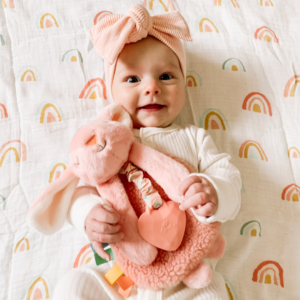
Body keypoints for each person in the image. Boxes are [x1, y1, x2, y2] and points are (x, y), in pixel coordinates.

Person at [53, 4, 241, 300]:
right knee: (73, 286)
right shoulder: (105, 144)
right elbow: (79, 189)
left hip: (188, 277)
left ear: (185, 83)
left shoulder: (193, 138)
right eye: (132, 79)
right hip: (121, 278)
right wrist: (87, 214)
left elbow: (228, 176)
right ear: (111, 91)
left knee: (213, 294)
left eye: (166, 76)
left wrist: (216, 192)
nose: (152, 87)